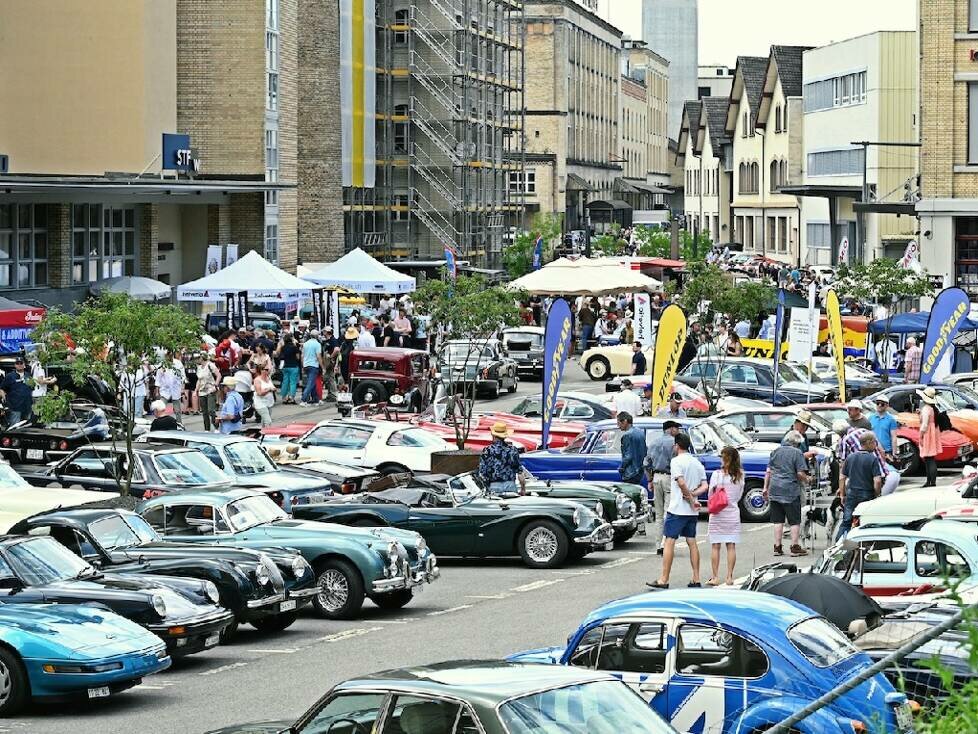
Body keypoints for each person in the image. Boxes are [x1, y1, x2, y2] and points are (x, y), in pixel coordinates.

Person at [647, 432, 706, 589]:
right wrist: (694, 496)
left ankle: (664, 579)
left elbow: (680, 482)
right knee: (692, 541)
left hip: (678, 508)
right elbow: (705, 485)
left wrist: (689, 498)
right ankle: (696, 577)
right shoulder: (697, 463)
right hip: (691, 512)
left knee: (669, 541)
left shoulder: (676, 462)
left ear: (677, 446)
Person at [763, 430, 810, 557]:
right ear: (797, 443)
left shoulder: (775, 452)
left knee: (778, 520)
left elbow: (768, 471)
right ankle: (795, 547)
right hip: (790, 489)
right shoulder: (797, 453)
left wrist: (765, 488)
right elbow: (800, 473)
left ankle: (777, 547)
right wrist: (808, 479)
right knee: (794, 520)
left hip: (775, 488)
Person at [707, 446, 745, 586]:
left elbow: (711, 494)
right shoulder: (740, 475)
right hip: (732, 512)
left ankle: (715, 577)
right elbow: (740, 494)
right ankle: (729, 576)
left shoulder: (717, 475)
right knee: (731, 546)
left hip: (718, 513)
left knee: (716, 546)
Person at [837, 431, 884, 538]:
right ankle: (863, 544)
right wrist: (876, 494)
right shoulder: (872, 459)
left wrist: (842, 495)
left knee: (846, 522)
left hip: (851, 493)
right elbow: (877, 481)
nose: (876, 444)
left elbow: (842, 477)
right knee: (865, 522)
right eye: (874, 442)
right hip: (867, 494)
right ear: (869, 443)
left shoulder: (850, 457)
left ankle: (839, 544)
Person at [645, 420, 682, 555]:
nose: (678, 430)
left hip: (656, 477)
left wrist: (649, 479)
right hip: (669, 477)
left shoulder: (654, 443)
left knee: (659, 514)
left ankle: (658, 544)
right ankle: (664, 543)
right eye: (676, 428)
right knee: (668, 511)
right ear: (671, 429)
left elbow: (646, 463)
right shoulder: (674, 444)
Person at [478, 421, 526, 495]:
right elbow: (520, 472)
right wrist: (523, 489)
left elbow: (482, 473)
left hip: (494, 486)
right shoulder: (513, 450)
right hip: (510, 485)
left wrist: (486, 488)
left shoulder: (487, 450)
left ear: (493, 435)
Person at [918, 387, 942, 487]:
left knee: (929, 459)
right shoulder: (932, 409)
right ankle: (931, 481)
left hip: (927, 433)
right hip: (933, 432)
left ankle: (930, 482)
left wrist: (921, 435)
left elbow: (924, 425)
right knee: (930, 458)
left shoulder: (926, 409)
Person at [0, 357, 33, 426]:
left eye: (21, 363)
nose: (19, 365)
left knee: (27, 428)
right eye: (17, 363)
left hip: (27, 407)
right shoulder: (10, 376)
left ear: (24, 365)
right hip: (15, 408)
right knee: (15, 429)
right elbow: (2, 389)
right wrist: (4, 399)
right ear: (15, 365)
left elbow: (32, 388)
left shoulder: (28, 375)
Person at [617, 412, 646, 485]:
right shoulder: (640, 432)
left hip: (630, 472)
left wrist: (621, 467)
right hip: (639, 470)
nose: (618, 426)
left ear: (625, 421)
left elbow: (628, 456)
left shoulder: (627, 435)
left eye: (619, 423)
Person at [195, 353, 222, 432]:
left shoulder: (210, 365)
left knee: (211, 410)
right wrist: (196, 390)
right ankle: (207, 429)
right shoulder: (199, 367)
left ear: (202, 358)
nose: (197, 360)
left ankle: (216, 427)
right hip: (202, 391)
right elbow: (199, 380)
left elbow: (219, 375)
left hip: (210, 389)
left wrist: (215, 385)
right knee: (204, 412)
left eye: (198, 358)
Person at [869, 395, 899, 462]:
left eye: (882, 404)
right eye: (877, 403)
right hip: (873, 450)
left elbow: (894, 437)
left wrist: (894, 452)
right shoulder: (871, 418)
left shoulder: (891, 419)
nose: (879, 405)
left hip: (886, 451)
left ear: (887, 406)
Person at [276, 334, 301, 404]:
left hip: (285, 366)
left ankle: (284, 398)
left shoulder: (283, 347)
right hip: (294, 366)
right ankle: (291, 398)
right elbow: (298, 357)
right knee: (293, 382)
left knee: (285, 382)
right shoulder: (294, 347)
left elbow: (279, 354)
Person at [300, 330, 323, 406]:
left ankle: (316, 399)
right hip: (314, 365)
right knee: (310, 383)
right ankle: (304, 399)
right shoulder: (317, 344)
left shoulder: (305, 344)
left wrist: (303, 366)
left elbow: (302, 356)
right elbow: (318, 356)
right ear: (317, 336)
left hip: (306, 365)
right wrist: (322, 366)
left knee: (312, 383)